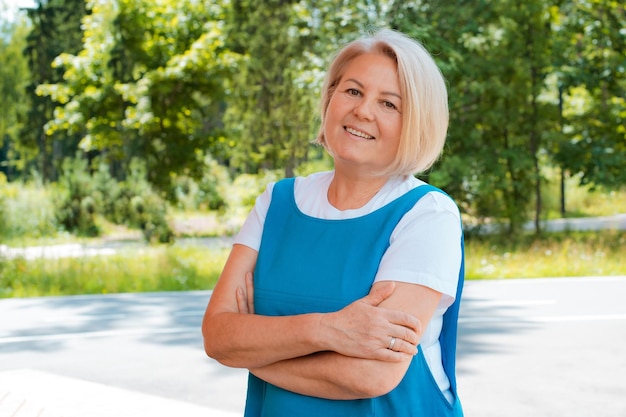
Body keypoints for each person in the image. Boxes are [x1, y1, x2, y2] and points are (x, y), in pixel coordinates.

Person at [202, 28, 465, 416]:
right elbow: (218, 335)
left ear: (417, 123)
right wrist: (327, 329)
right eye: (353, 91)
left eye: (389, 104)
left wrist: (253, 351)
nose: (363, 111)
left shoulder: (427, 215)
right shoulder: (276, 202)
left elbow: (370, 376)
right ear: (330, 99)